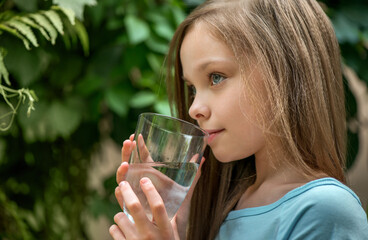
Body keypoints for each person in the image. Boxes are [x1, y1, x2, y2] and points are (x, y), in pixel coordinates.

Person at [109, 0, 368, 239]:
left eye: (216, 77)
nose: (194, 109)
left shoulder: (324, 209)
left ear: (283, 73)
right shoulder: (229, 205)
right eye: (192, 89)